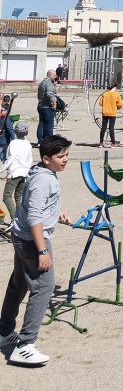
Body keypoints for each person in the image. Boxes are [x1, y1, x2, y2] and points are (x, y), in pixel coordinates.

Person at [0, 134, 72, 366]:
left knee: (19, 283)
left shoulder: (39, 171)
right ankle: (25, 344)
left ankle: (3, 332)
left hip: (20, 236)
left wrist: (56, 211)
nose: (65, 160)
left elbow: (33, 203)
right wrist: (42, 251)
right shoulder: (44, 180)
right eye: (60, 156)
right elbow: (33, 216)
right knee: (43, 287)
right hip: (32, 241)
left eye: (67, 155)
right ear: (46, 158)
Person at [0, 121, 32, 221]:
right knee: (18, 196)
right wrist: (26, 169)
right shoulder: (28, 144)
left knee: (6, 196)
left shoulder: (13, 143)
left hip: (15, 173)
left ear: (15, 131)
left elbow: (11, 158)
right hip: (24, 173)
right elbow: (30, 159)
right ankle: (20, 218)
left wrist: (1, 169)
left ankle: (15, 218)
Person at [98, 83, 123, 148]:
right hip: (112, 113)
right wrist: (116, 108)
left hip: (105, 112)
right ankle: (113, 143)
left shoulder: (104, 94)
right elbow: (120, 104)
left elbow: (100, 103)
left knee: (103, 127)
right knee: (111, 128)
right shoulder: (116, 94)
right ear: (114, 88)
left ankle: (101, 143)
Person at [36, 69, 58, 144]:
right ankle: (50, 141)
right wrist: (54, 103)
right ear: (50, 75)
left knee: (41, 123)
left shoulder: (42, 83)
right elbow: (49, 94)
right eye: (54, 75)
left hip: (40, 105)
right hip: (47, 106)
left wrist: (54, 88)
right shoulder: (48, 83)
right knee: (49, 124)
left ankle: (40, 140)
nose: (55, 77)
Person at [0, 96, 16, 162]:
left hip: (3, 139)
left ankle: (7, 166)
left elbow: (9, 129)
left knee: (3, 156)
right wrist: (14, 138)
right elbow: (10, 129)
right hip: (3, 139)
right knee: (3, 155)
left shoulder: (4, 117)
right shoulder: (5, 118)